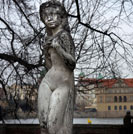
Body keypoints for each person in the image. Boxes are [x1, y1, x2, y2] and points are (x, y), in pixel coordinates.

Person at [38, 1, 75, 134]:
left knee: (53, 127)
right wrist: (46, 52)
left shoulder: (64, 36)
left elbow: (72, 64)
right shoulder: (48, 38)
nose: (49, 18)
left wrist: (58, 48)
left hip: (63, 85)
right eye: (45, 15)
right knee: (43, 124)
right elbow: (50, 66)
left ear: (61, 17)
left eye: (53, 14)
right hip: (47, 81)